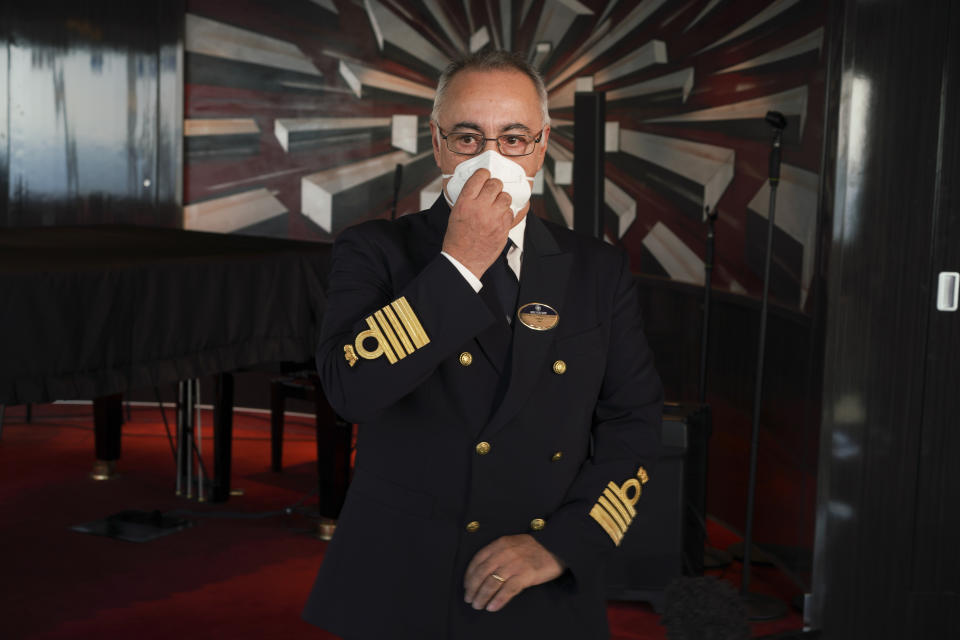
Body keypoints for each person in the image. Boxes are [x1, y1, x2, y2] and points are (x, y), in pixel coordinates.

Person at [302, 50, 662, 640]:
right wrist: (460, 263)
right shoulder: (374, 251)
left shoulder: (596, 269)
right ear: (438, 145)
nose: (492, 156)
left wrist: (563, 545)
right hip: (405, 576)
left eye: (513, 137)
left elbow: (634, 423)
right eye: (468, 137)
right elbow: (348, 392)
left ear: (542, 145)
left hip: (538, 575)